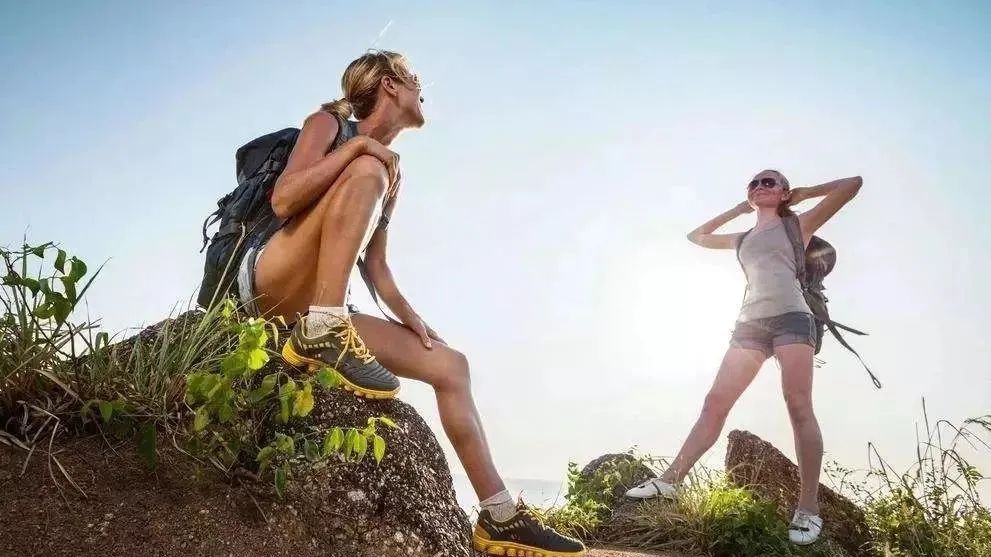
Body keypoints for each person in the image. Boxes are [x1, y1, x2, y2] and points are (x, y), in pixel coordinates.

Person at [242, 50, 584, 557]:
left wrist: (416, 322)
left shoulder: (387, 173)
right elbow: (284, 200)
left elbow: (375, 270)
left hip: (323, 303)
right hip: (270, 279)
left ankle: (500, 517)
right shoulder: (330, 125)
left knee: (451, 365)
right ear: (390, 85)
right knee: (367, 173)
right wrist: (361, 151)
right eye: (416, 79)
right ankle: (325, 328)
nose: (423, 90)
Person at [624, 170, 863, 546]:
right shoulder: (744, 237)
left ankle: (808, 508)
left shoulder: (797, 225)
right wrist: (738, 208)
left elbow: (853, 185)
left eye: (770, 181)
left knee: (798, 404)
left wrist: (803, 194)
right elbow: (696, 237)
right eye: (754, 183)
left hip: (793, 319)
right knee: (715, 401)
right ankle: (671, 480)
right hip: (750, 323)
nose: (760, 186)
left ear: (783, 192)